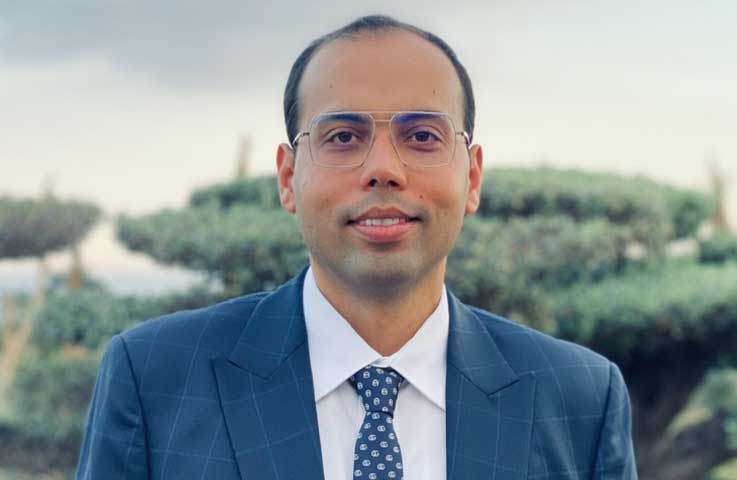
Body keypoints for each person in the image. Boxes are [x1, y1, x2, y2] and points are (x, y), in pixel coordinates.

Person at [76, 15, 637, 480]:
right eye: (343, 137)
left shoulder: (580, 399)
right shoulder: (155, 378)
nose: (384, 169)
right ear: (288, 177)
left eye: (423, 136)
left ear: (472, 177)